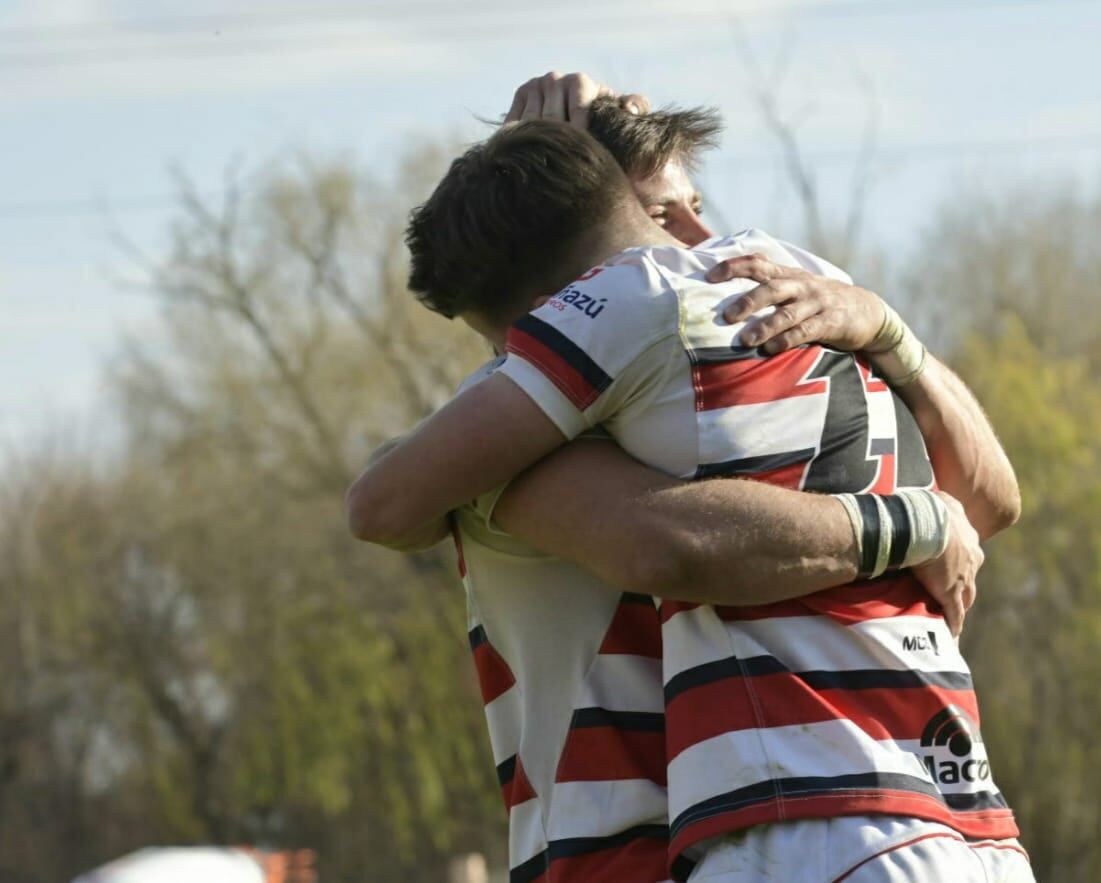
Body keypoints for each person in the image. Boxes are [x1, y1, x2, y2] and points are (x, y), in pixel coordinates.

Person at [348, 110, 1032, 881]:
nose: (699, 235)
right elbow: (994, 501)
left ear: (542, 312)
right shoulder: (806, 280)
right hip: (967, 816)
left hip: (803, 812)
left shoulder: (615, 308)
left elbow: (382, 504)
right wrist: (895, 365)